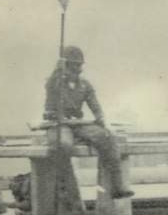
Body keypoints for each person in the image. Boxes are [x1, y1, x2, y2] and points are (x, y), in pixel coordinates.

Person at [43, 46, 134, 199]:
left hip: (77, 123)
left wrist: (103, 121)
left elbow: (95, 106)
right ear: (65, 66)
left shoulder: (85, 85)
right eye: (73, 66)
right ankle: (65, 190)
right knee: (63, 145)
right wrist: (56, 71)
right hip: (58, 123)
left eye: (79, 66)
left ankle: (118, 187)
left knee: (107, 137)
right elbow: (50, 86)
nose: (77, 70)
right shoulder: (55, 82)